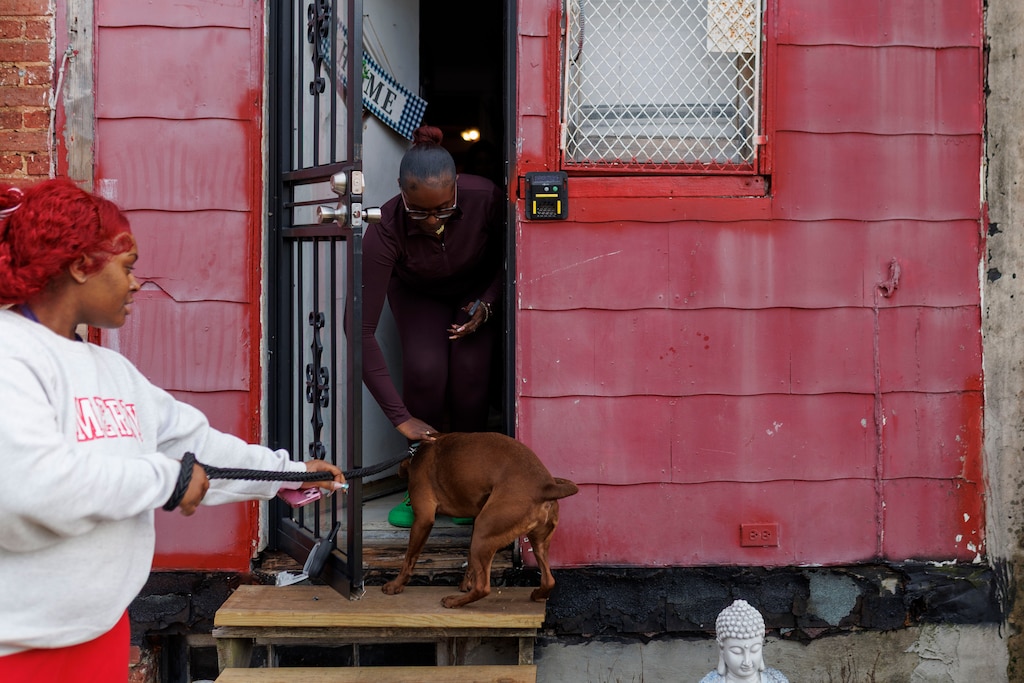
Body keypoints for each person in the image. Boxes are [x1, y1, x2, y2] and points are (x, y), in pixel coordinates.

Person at [0, 178, 346, 683]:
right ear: (79, 266)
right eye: (127, 267)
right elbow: (30, 489)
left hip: (100, 635)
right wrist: (164, 481)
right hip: (18, 653)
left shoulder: (110, 370)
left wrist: (288, 472)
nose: (137, 283)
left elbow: (196, 447)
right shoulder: (12, 355)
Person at [361, 125, 504, 527]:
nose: (433, 221)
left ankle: (467, 488)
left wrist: (489, 303)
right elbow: (360, 331)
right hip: (417, 294)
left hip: (476, 292)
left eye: (443, 209)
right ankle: (418, 487)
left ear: (457, 187)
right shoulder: (384, 227)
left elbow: (512, 256)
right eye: (419, 211)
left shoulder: (485, 198)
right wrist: (399, 418)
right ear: (401, 193)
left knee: (470, 377)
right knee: (426, 371)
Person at [699, 599, 789, 683]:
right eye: (737, 652)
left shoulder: (777, 680)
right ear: (721, 648)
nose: (747, 661)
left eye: (754, 649)